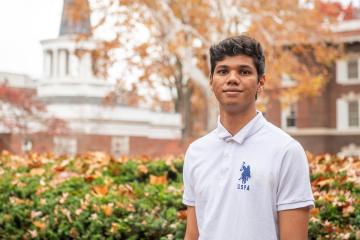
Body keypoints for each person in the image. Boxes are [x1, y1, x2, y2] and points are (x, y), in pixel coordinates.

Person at [182, 35, 314, 240]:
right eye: (223, 71)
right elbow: (192, 234)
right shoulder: (196, 152)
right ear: (211, 81)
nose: (232, 78)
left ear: (261, 82)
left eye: (244, 71)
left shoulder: (286, 151)